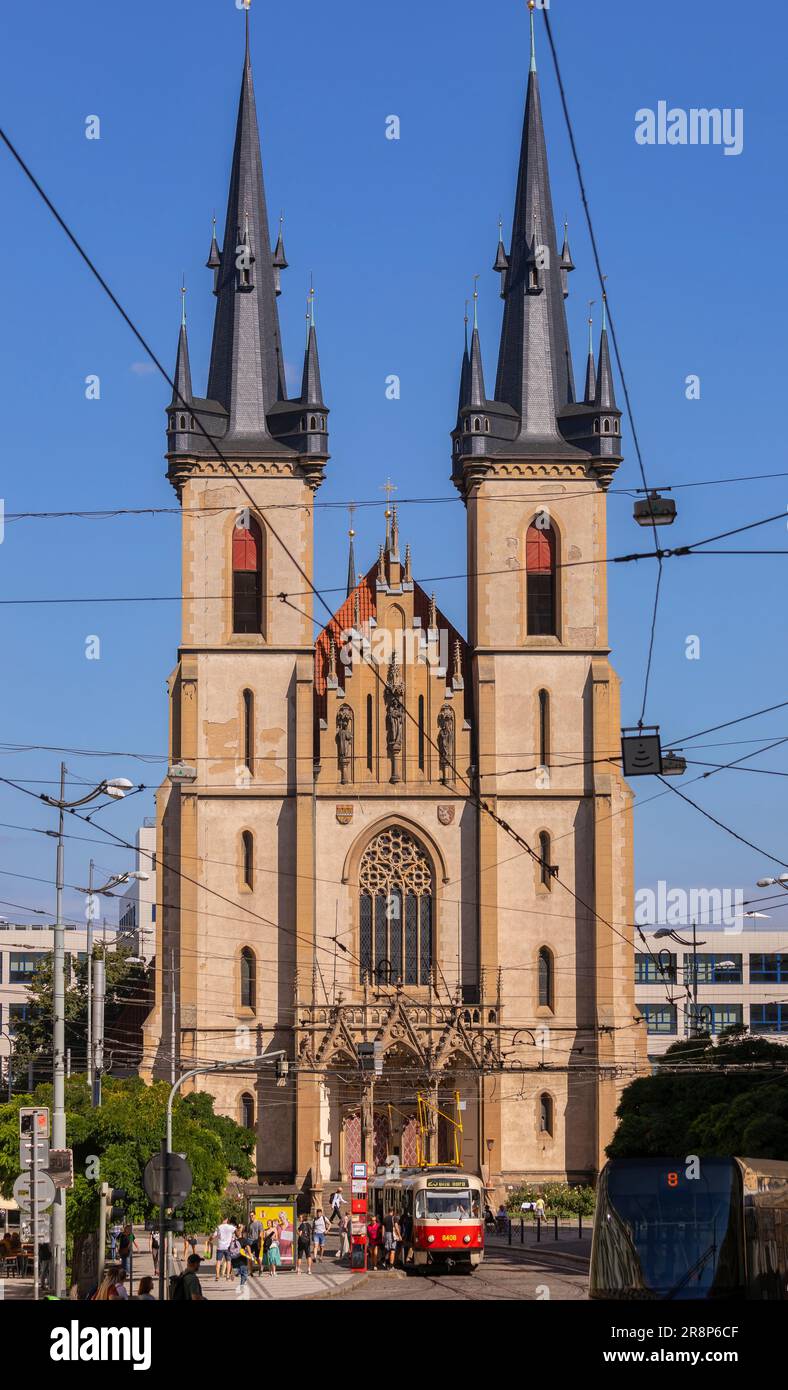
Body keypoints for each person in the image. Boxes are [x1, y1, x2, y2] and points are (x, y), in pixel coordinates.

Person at [214, 1216, 236, 1281]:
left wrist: (210, 1240)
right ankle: (227, 1276)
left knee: (218, 1261)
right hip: (228, 1247)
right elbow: (237, 1231)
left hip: (220, 1247)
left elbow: (214, 1235)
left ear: (221, 1219)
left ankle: (217, 1275)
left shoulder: (218, 1227)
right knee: (228, 1261)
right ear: (227, 1219)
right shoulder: (230, 1227)